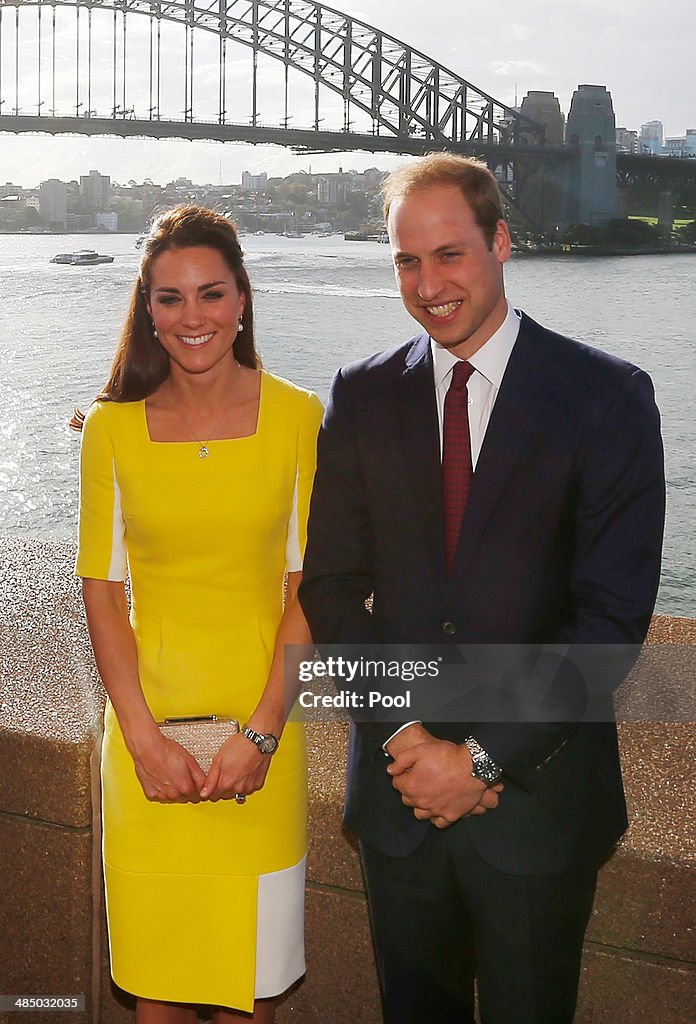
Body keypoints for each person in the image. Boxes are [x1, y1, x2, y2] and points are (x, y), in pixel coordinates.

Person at [299, 154, 665, 1024]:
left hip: (538, 810)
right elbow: (332, 591)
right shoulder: (361, 394)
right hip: (400, 801)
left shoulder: (605, 395)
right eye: (407, 260)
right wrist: (411, 742)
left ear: (502, 242)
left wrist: (483, 758)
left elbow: (609, 622)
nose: (429, 284)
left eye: (451, 254)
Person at [74, 205, 323, 1024]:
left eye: (211, 294)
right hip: (149, 750)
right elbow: (102, 594)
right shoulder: (110, 430)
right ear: (147, 308)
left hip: (266, 742)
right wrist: (142, 741)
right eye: (170, 298)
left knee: (254, 1002)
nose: (193, 318)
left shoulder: (299, 418)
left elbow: (307, 592)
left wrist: (259, 734)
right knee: (159, 1000)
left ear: (243, 298)